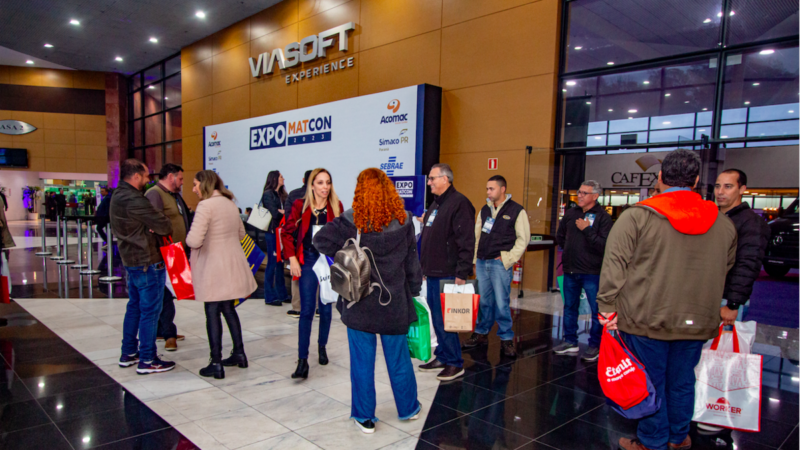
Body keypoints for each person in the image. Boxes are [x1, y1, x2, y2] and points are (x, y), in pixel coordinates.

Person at [597, 149, 737, 450]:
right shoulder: (722, 223)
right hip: (698, 319)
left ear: (660, 177)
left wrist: (607, 308)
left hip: (647, 318)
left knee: (651, 382)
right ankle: (678, 436)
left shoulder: (637, 216)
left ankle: (652, 440)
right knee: (684, 381)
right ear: (697, 180)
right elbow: (725, 266)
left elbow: (614, 266)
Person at [314, 168, 422, 434]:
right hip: (394, 303)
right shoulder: (405, 220)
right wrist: (415, 290)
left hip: (359, 303)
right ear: (388, 189)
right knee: (399, 360)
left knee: (362, 362)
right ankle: (408, 409)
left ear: (360, 191)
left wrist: (347, 253)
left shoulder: (350, 221)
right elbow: (412, 264)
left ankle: (365, 417)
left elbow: (319, 240)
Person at [186, 170, 257, 379]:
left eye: (195, 184)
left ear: (204, 184)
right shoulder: (230, 204)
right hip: (232, 265)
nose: (193, 189)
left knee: (212, 312)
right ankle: (239, 353)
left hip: (212, 269)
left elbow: (194, 240)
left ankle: (215, 362)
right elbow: (241, 234)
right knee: (228, 309)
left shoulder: (205, 206)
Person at [110, 159, 176, 375]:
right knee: (150, 311)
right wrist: (153, 226)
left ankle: (128, 352)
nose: (148, 180)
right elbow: (165, 225)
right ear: (136, 176)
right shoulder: (134, 199)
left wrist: (151, 226)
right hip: (147, 261)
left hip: (131, 260)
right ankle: (147, 358)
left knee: (135, 306)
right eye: (146, 176)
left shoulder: (118, 195)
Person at [280, 168, 343, 379]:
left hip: (329, 261)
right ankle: (302, 361)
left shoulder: (336, 207)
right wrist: (292, 259)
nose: (325, 187)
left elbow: (344, 236)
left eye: (328, 182)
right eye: (320, 183)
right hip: (307, 259)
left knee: (326, 308)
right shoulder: (300, 205)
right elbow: (287, 233)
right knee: (307, 310)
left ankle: (322, 346)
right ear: (312, 185)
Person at [418, 163, 476, 381]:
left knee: (448, 320)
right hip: (433, 272)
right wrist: (424, 267)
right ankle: (443, 355)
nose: (429, 182)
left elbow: (466, 242)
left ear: (445, 179)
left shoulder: (459, 204)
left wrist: (462, 273)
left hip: (450, 274)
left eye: (432, 178)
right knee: (437, 317)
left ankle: (454, 362)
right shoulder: (436, 204)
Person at [463, 175, 531, 358]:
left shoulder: (517, 210)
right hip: (483, 262)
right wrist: (475, 261)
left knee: (501, 303)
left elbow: (524, 239)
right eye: (487, 189)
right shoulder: (484, 210)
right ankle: (481, 333)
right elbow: (477, 237)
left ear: (502, 189)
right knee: (484, 301)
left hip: (500, 264)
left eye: (491, 189)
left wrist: (508, 258)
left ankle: (506, 338)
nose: (487, 192)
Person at [553, 179, 613, 361]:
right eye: (579, 192)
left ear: (595, 196)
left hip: (592, 272)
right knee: (570, 307)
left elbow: (604, 245)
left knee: (596, 310)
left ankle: (595, 345)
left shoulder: (603, 217)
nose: (579, 195)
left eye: (584, 193)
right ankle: (570, 341)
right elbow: (560, 236)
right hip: (571, 270)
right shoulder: (571, 214)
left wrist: (587, 230)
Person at [715, 169, 771, 324]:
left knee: (723, 347)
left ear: (742, 189)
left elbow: (748, 265)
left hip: (728, 301)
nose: (720, 192)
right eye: (717, 186)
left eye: (728, 186)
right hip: (710, 298)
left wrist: (733, 305)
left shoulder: (751, 223)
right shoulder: (716, 218)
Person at [145, 163, 190, 352]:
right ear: (171, 177)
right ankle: (168, 334)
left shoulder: (174, 195)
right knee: (165, 295)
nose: (182, 182)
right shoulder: (154, 194)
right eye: (180, 178)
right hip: (164, 254)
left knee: (172, 293)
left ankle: (163, 329)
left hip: (177, 252)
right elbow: (153, 224)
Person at [285, 170, 313, 318]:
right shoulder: (322, 196)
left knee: (296, 272)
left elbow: (288, 216)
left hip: (297, 239)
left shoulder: (294, 194)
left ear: (303, 179)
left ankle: (297, 306)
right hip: (315, 239)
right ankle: (316, 307)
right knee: (318, 272)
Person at [260, 170, 290, 306]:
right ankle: (270, 296)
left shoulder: (282, 195)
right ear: (275, 179)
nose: (283, 178)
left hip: (280, 232)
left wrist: (282, 212)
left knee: (279, 263)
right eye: (281, 177)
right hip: (272, 232)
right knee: (272, 263)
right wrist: (282, 212)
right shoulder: (268, 194)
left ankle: (282, 294)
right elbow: (274, 213)